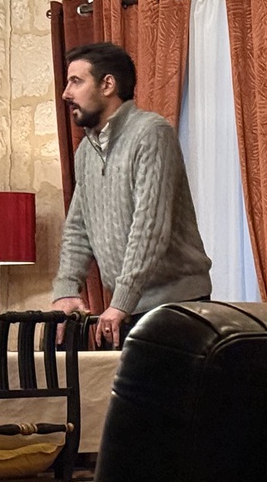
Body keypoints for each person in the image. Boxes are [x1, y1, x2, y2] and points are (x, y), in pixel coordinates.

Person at [52, 42, 212, 347]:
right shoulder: (86, 150)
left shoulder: (151, 133)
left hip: (177, 306)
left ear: (107, 85)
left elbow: (150, 228)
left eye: (76, 81)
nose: (66, 94)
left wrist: (121, 301)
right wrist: (66, 290)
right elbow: (78, 229)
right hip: (127, 306)